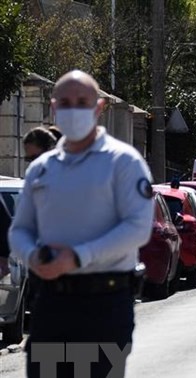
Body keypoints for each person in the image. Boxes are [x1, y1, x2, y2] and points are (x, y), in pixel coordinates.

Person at [9, 70, 154, 378]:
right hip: (50, 303)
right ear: (53, 109)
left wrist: (77, 256)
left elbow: (138, 227)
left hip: (103, 304)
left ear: (98, 108)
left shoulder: (123, 162)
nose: (73, 109)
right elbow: (20, 230)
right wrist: (33, 256)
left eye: (82, 102)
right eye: (65, 102)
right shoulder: (41, 170)